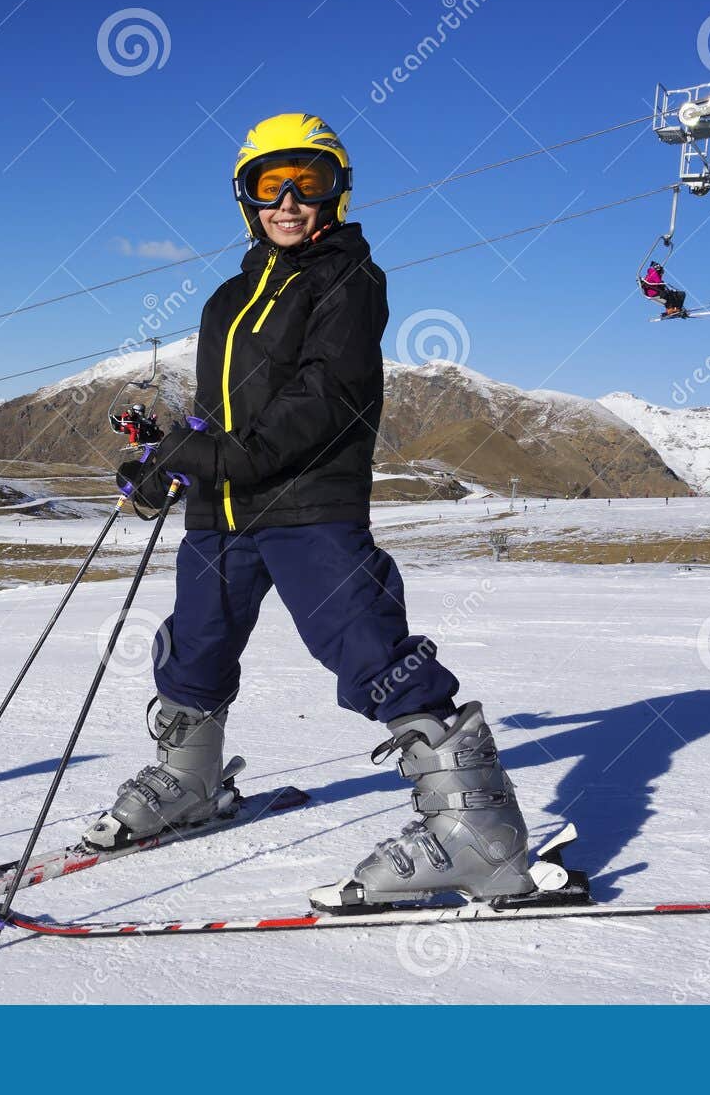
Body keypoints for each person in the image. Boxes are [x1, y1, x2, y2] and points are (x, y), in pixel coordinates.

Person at [91, 113, 538, 911]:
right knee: (194, 647)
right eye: (271, 185)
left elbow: (320, 401)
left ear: (338, 190)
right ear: (245, 198)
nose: (290, 200)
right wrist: (171, 467)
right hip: (223, 515)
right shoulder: (229, 299)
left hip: (309, 506)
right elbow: (215, 413)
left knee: (370, 649)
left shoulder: (349, 282)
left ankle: (479, 837)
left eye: (310, 181)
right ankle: (191, 781)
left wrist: (221, 458)